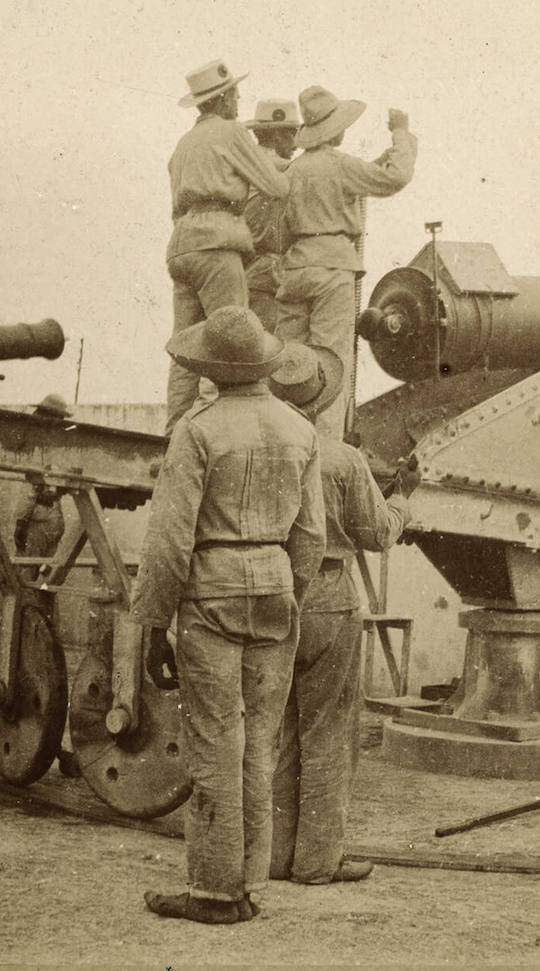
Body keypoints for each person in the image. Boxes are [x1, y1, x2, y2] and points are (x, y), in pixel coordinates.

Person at [133, 305, 325, 924]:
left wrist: (152, 623)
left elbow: (168, 540)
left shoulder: (199, 430)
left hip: (211, 595)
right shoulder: (300, 430)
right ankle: (249, 885)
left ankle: (214, 892)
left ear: (212, 367)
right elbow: (312, 538)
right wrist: (283, 588)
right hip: (275, 591)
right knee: (260, 746)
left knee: (215, 741)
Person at [266, 343, 417, 885]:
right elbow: (378, 535)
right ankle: (317, 862)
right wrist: (402, 498)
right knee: (328, 732)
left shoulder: (256, 451)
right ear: (319, 400)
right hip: (329, 595)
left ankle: (275, 856)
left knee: (278, 731)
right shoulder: (342, 459)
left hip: (270, 597)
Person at [276, 86, 417, 439]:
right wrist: (401, 134)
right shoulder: (340, 167)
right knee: (330, 363)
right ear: (333, 129)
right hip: (332, 268)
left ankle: (286, 441)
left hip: (294, 269)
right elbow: (393, 177)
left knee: (290, 364)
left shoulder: (292, 170)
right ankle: (325, 453)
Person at [163, 59, 291, 434]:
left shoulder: (184, 143)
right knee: (237, 340)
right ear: (221, 100)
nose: (238, 99)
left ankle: (175, 433)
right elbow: (276, 187)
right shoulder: (232, 132)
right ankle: (232, 432)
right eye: (234, 93)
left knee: (185, 348)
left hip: (182, 246)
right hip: (218, 245)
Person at [243, 99, 300, 334]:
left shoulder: (248, 160)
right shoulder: (271, 164)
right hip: (263, 272)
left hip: (252, 269)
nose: (296, 143)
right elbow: (306, 171)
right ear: (277, 135)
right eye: (292, 134)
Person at [13, 394, 74, 559]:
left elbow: (31, 490)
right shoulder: (60, 445)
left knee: (25, 572)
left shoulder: (39, 446)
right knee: (43, 575)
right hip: (56, 519)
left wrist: (21, 522)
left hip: (38, 519)